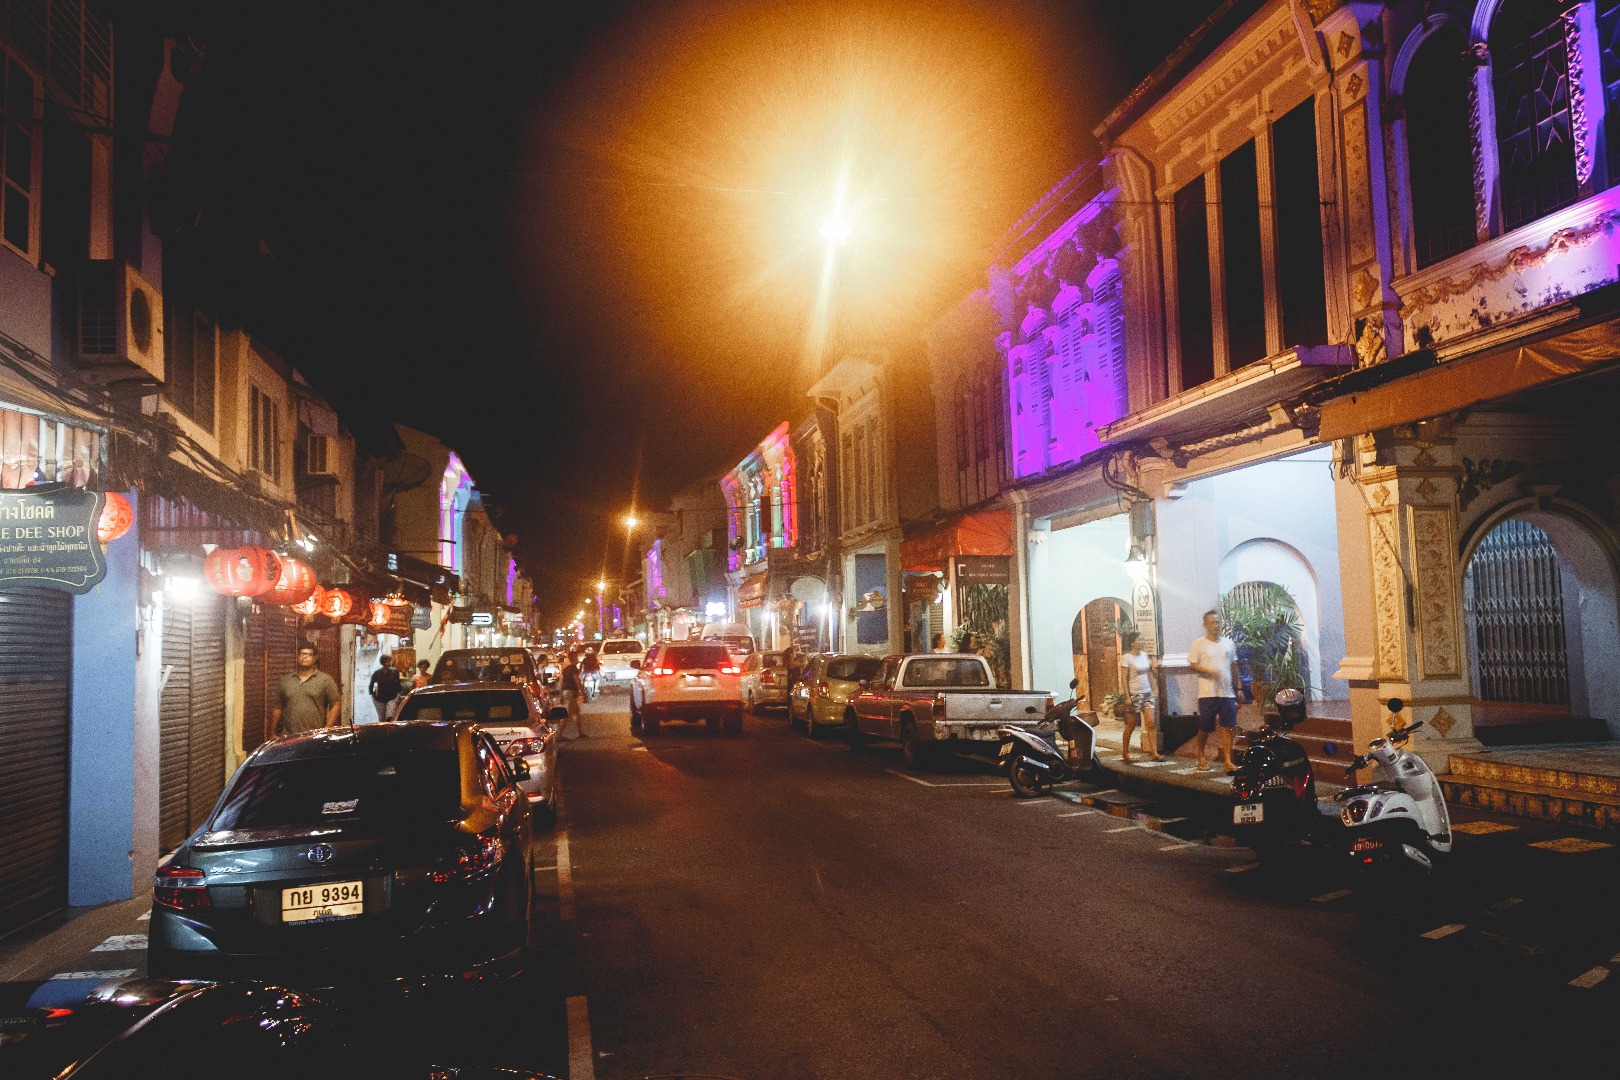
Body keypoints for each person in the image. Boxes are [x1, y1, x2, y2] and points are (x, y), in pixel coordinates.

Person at [1187, 609, 1242, 772]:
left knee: (1227, 726)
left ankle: (1227, 761)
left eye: (1218, 622)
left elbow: (1234, 665)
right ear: (1205, 625)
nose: (1215, 625)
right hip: (1207, 693)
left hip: (1227, 692)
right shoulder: (1199, 643)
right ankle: (1201, 755)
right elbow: (1193, 664)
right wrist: (1208, 671)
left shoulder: (1228, 643)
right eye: (1212, 622)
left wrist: (1238, 687)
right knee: (1205, 727)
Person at [274, 644, 342, 735]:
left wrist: (328, 727)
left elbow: (336, 704)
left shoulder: (325, 680)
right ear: (297, 657)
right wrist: (272, 732)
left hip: (314, 735)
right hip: (288, 736)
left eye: (308, 655)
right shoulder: (285, 680)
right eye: (302, 654)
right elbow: (278, 707)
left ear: (314, 659)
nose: (304, 657)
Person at [1117, 631, 1163, 764]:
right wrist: (1127, 696)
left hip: (1147, 693)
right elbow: (1124, 679)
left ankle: (1154, 752)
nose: (1143, 641)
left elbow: (1150, 674)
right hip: (1134, 694)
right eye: (1140, 639)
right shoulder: (1126, 658)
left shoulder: (1145, 656)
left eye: (1143, 639)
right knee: (1131, 724)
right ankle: (1125, 752)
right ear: (1132, 642)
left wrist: (1154, 689)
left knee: (1151, 722)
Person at [558, 652, 586, 739]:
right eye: (576, 658)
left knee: (576, 713)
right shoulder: (573, 668)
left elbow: (562, 682)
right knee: (568, 714)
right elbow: (577, 681)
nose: (578, 660)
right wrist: (583, 692)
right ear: (573, 658)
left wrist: (561, 695)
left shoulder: (566, 669)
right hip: (571, 692)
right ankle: (559, 735)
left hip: (566, 691)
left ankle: (580, 732)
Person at [367, 654, 402, 724]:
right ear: (382, 663)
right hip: (379, 698)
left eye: (390, 661)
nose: (389, 663)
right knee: (381, 718)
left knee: (389, 717)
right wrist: (372, 694)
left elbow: (398, 683)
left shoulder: (394, 672)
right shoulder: (377, 673)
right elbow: (371, 684)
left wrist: (398, 694)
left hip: (392, 697)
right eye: (387, 662)